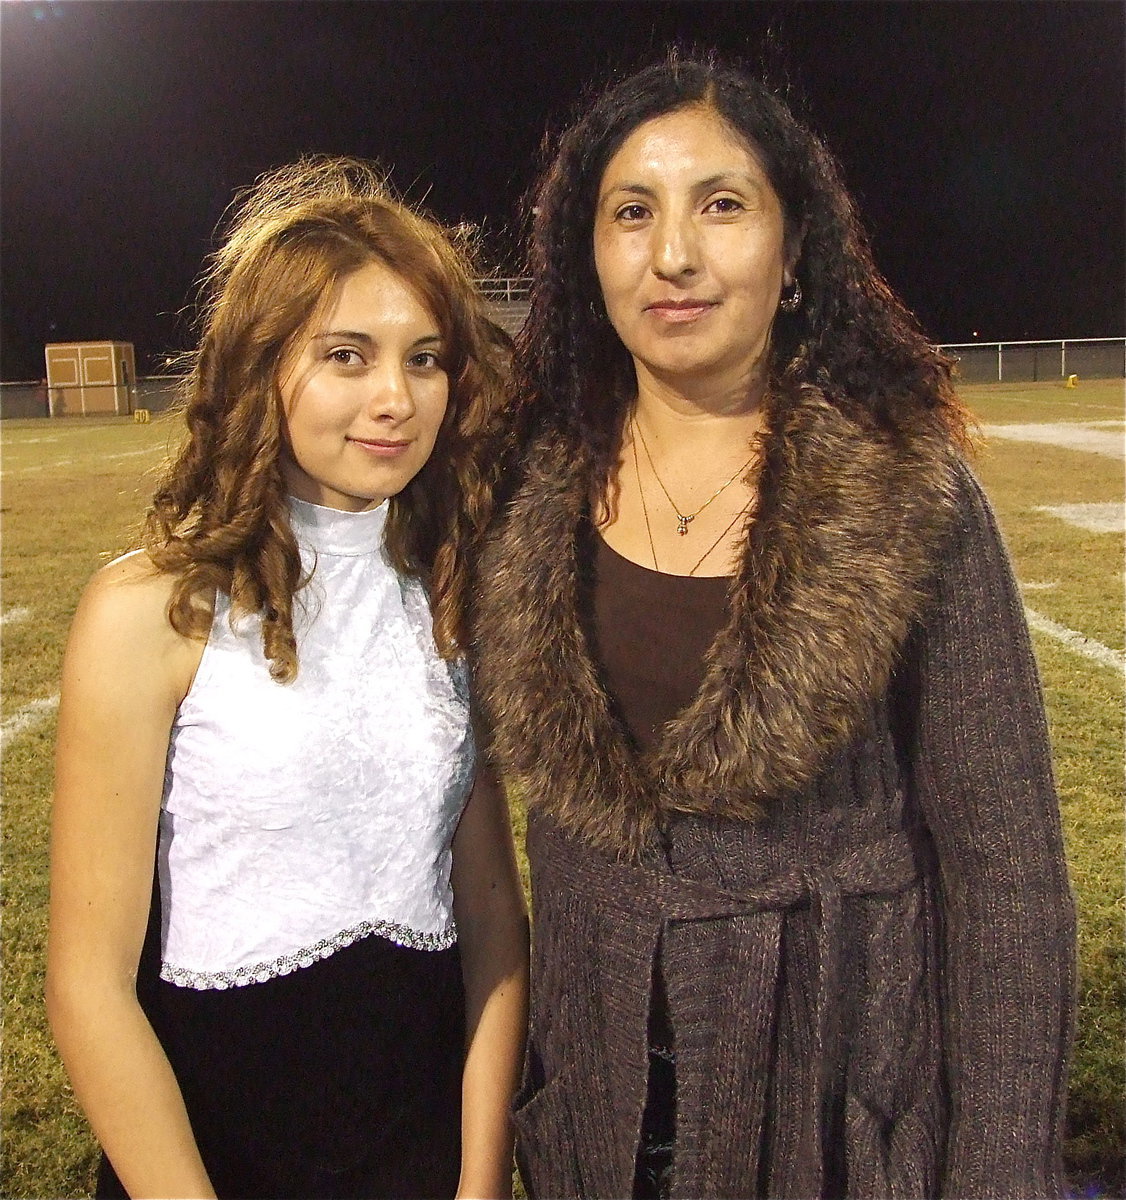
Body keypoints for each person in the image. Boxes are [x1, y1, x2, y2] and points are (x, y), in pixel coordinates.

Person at [470, 54, 1076, 1199]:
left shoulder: (909, 496)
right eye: (631, 212)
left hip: (835, 1101)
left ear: (794, 250)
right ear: (583, 253)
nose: (675, 255)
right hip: (592, 1110)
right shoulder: (515, 487)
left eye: (723, 205)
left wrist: (997, 1170)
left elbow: (1007, 884)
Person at [46, 156, 528, 1200]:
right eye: (346, 356)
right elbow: (87, 987)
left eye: (427, 357)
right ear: (263, 363)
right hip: (214, 1157)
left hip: (416, 1153)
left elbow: (491, 921)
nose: (394, 398)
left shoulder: (453, 596)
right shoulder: (149, 612)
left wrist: (479, 1181)